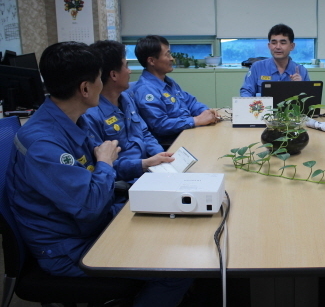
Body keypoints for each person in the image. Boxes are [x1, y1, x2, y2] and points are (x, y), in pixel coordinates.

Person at [5, 42, 192, 306]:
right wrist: (104, 163)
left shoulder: (72, 119)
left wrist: (142, 164)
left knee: (179, 228)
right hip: (68, 247)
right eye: (98, 80)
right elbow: (91, 205)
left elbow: (103, 167)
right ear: (85, 88)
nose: (102, 86)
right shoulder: (44, 145)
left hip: (88, 224)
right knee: (177, 269)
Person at [84, 40, 174, 184]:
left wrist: (161, 155)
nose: (130, 71)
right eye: (126, 66)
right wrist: (144, 164)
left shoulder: (126, 98)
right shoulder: (90, 115)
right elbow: (103, 164)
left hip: (148, 170)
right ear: (113, 75)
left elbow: (144, 133)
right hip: (126, 181)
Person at [132, 35, 218, 145]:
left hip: (188, 133)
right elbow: (160, 125)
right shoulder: (146, 90)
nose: (172, 58)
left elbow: (189, 102)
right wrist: (196, 120)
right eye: (167, 54)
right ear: (151, 61)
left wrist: (204, 111)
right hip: (171, 143)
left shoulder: (168, 82)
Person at [240, 23, 310, 97]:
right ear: (269, 46)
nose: (278, 47)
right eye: (274, 43)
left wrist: (301, 87)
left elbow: (308, 101)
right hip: (263, 108)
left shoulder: (301, 70)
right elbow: (246, 92)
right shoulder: (257, 67)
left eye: (283, 43)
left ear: (292, 46)